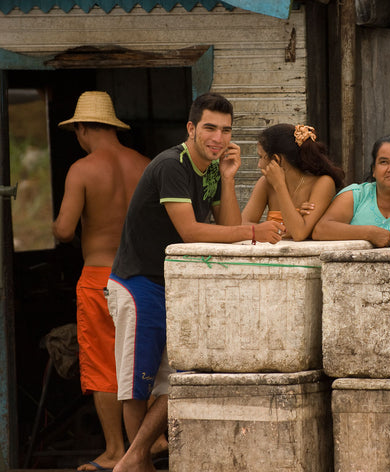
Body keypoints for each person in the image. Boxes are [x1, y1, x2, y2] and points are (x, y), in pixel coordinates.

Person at [107, 92, 284, 472]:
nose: (218, 138)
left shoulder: (210, 169)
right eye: (209, 128)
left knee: (184, 375)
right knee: (137, 385)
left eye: (225, 130)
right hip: (140, 283)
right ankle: (136, 462)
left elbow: (225, 228)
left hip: (175, 285)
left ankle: (133, 458)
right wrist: (254, 230)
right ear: (191, 128)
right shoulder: (173, 164)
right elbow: (190, 232)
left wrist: (228, 178)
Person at [52, 91, 150, 472]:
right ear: (113, 126)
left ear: (80, 129)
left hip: (99, 278)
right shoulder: (144, 165)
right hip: (140, 278)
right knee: (142, 361)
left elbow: (63, 230)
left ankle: (114, 452)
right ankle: (148, 440)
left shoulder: (82, 169)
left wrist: (56, 226)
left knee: (105, 366)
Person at [312, 134, 390, 247]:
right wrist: (368, 233)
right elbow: (320, 230)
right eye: (383, 162)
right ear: (374, 169)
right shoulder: (356, 195)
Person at [241, 123, 344, 240]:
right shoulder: (265, 183)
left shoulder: (323, 183)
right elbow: (242, 225)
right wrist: (290, 226)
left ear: (276, 160)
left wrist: (280, 186)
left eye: (261, 157)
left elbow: (299, 233)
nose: (259, 165)